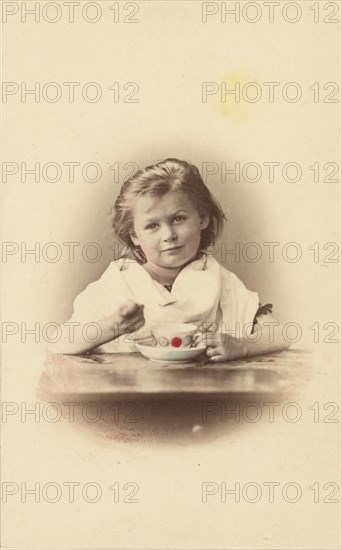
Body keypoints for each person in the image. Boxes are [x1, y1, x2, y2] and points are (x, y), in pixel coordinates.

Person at [50, 158, 290, 360]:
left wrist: (241, 346)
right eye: (152, 226)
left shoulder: (215, 277)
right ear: (134, 235)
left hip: (205, 393)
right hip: (129, 397)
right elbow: (62, 343)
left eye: (178, 219)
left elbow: (278, 334)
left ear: (202, 218)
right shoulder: (120, 281)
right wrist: (116, 324)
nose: (169, 236)